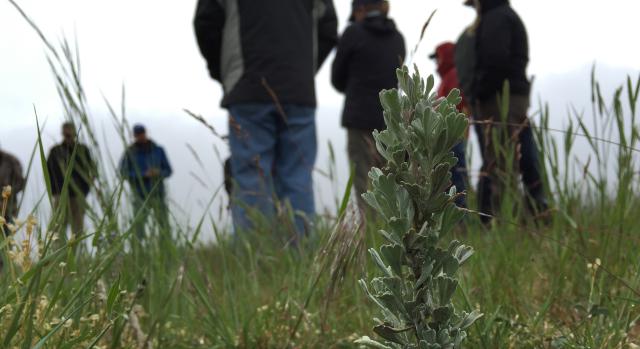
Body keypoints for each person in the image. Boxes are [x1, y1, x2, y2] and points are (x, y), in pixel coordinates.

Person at [194, 0, 338, 235]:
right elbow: (328, 28)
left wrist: (224, 72)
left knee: (252, 178)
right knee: (297, 177)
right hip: (298, 90)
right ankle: (302, 257)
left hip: (247, 86)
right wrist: (302, 70)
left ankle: (258, 262)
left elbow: (206, 22)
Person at [456, 0, 548, 221]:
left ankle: (505, 222)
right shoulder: (500, 16)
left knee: (501, 163)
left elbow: (495, 61)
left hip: (499, 100)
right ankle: (520, 217)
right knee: (507, 160)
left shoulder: (496, 18)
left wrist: (479, 91)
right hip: (505, 97)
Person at [331, 0, 405, 210]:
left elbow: (337, 78)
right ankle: (390, 232)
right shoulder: (397, 38)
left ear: (361, 10)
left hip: (359, 118)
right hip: (390, 120)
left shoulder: (353, 33)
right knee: (389, 183)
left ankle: (367, 235)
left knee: (363, 179)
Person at [431, 42, 469, 208]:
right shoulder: (448, 77)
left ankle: (459, 219)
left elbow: (454, 105)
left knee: (455, 180)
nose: (436, 62)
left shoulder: (454, 75)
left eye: (437, 57)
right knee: (452, 179)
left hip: (451, 135)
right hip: (448, 135)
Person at [119, 125, 172, 240]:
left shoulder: (158, 150)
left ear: (145, 133)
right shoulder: (130, 152)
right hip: (140, 196)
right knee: (138, 228)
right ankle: (138, 254)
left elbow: (168, 171)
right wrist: (142, 175)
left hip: (158, 194)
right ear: (134, 136)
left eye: (142, 133)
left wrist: (158, 173)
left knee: (164, 227)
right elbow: (123, 173)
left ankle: (167, 253)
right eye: (137, 134)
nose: (140, 136)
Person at [47, 122, 96, 237]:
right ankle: (58, 254)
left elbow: (93, 171)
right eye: (66, 131)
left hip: (78, 195)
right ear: (62, 132)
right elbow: (48, 171)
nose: (68, 133)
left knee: (78, 230)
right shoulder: (55, 151)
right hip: (60, 196)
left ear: (74, 132)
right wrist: (54, 191)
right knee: (57, 229)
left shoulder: (83, 150)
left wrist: (85, 190)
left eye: (70, 130)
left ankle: (76, 254)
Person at [0, 149, 25, 235]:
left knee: (7, 235)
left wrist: (8, 193)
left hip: (9, 206)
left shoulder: (11, 160)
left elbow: (20, 182)